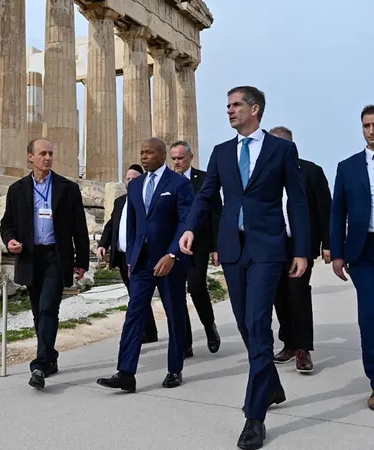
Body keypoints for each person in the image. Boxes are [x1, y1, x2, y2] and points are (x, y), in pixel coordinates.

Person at [179, 86, 310, 450]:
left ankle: (254, 417)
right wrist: (189, 228)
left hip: (268, 247)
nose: (230, 110)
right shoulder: (222, 152)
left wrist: (302, 249)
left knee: (257, 323)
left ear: (255, 109)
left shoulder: (281, 149)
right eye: (228, 106)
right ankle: (271, 384)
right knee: (243, 324)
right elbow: (207, 195)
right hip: (232, 247)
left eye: (236, 105)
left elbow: (297, 201)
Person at [96, 137, 194, 392]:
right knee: (134, 314)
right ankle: (126, 373)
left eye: (149, 153)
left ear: (162, 155)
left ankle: (174, 369)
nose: (143, 157)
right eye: (141, 152)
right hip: (141, 261)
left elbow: (186, 222)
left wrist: (172, 255)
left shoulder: (179, 184)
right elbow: (132, 224)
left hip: (170, 262)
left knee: (174, 313)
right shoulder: (136, 185)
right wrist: (130, 258)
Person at [0, 138, 90, 390]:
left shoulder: (68, 188)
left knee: (49, 308)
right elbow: (7, 224)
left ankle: (38, 366)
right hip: (30, 256)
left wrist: (82, 260)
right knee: (38, 311)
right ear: (31, 157)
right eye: (42, 154)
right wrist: (10, 240)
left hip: (56, 256)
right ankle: (50, 358)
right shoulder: (17, 189)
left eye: (50, 153)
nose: (48, 158)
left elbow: (79, 228)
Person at [269, 126, 332, 374]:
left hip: (301, 244)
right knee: (279, 294)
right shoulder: (266, 174)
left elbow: (325, 210)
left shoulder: (311, 171)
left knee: (298, 292)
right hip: (274, 245)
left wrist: (328, 244)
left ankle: (303, 349)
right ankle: (289, 343)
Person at [330, 104, 374, 411]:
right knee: (370, 318)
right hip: (363, 250)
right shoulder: (348, 167)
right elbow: (338, 213)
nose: (371, 131)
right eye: (366, 126)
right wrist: (337, 253)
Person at [170, 140, 222, 357]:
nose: (176, 162)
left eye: (180, 158)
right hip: (173, 245)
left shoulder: (204, 179)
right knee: (176, 293)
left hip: (198, 244)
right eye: (173, 158)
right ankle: (185, 342)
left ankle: (209, 326)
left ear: (191, 157)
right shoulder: (167, 181)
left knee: (196, 287)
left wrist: (217, 246)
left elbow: (216, 213)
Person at [96, 164, 159, 343]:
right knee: (135, 294)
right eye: (127, 178)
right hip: (123, 256)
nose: (130, 181)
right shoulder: (120, 201)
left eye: (134, 178)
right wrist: (103, 244)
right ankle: (149, 331)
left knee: (138, 296)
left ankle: (138, 334)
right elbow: (111, 225)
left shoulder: (147, 200)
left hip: (140, 255)